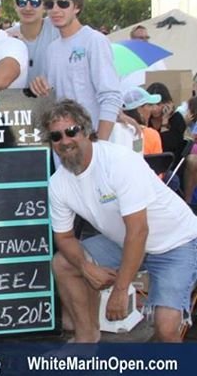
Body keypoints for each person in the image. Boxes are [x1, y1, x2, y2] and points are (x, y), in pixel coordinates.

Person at [44, 99, 197, 342]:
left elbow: (139, 230)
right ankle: (87, 340)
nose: (64, 141)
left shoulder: (118, 161)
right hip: (124, 241)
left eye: (71, 131)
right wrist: (86, 267)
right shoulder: (58, 183)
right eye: (56, 136)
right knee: (64, 263)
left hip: (176, 242)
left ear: (86, 131)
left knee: (166, 329)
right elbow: (63, 236)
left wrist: (120, 289)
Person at [29, 0, 121, 141]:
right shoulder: (51, 49)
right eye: (49, 5)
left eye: (63, 3)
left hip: (93, 143)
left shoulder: (94, 40)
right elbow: (52, 99)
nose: (55, 10)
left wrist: (100, 143)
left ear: (77, 6)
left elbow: (111, 96)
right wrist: (39, 86)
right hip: (64, 146)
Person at [7, 0, 60, 84]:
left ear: (45, 6)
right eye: (22, 1)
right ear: (15, 5)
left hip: (54, 98)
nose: (28, 7)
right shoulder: (6, 38)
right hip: (17, 99)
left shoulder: (58, 29)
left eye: (35, 2)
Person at [146, 82, 186, 163]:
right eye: (151, 104)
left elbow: (166, 148)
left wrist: (165, 122)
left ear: (167, 103)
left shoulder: (176, 119)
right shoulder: (146, 118)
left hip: (170, 163)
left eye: (158, 104)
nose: (154, 108)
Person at [119, 25, 168, 92]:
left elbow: (164, 77)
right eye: (141, 38)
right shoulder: (123, 58)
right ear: (132, 40)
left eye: (147, 37)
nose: (145, 40)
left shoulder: (155, 57)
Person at [122, 87, 163, 155]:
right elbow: (157, 164)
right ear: (139, 109)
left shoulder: (115, 130)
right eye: (149, 105)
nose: (151, 109)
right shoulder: (151, 134)